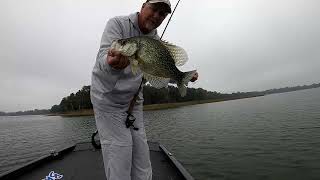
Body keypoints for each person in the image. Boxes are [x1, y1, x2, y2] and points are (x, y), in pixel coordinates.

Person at [90, 0, 198, 179]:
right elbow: (102, 59)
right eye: (154, 9)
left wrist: (181, 78)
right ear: (143, 6)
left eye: (162, 14)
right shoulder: (117, 24)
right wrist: (110, 63)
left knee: (141, 154)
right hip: (107, 100)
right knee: (120, 152)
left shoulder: (156, 41)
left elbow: (155, 74)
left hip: (134, 101)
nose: (157, 16)